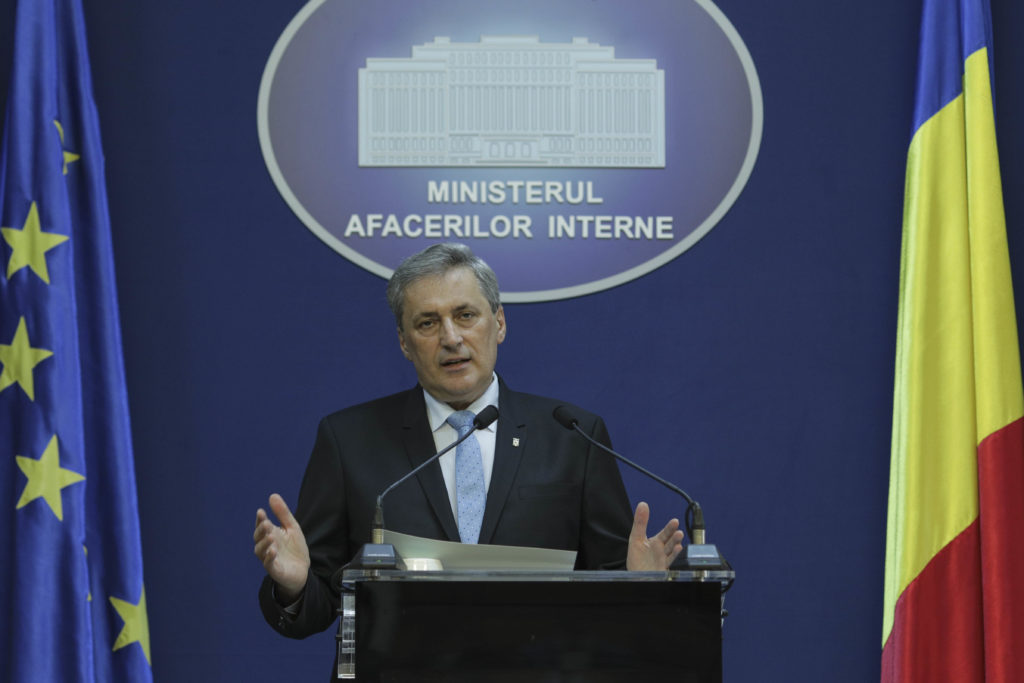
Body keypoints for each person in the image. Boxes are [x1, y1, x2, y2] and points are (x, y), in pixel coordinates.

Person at [254, 243, 684, 639]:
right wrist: (293, 586)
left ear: (499, 323)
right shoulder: (349, 440)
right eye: (427, 323)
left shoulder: (572, 435)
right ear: (404, 342)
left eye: (465, 315)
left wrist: (640, 584)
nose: (451, 338)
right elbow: (316, 603)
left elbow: (612, 581)